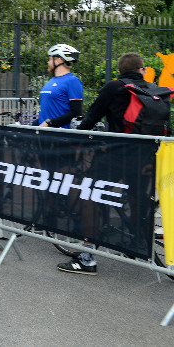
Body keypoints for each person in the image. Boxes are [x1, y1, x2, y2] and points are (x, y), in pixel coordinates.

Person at [59, 52, 159, 275]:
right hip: (146, 156)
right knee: (138, 198)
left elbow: (91, 118)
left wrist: (76, 139)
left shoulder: (114, 87)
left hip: (116, 154)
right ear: (142, 70)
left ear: (120, 71)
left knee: (89, 196)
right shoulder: (152, 90)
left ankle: (87, 259)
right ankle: (136, 245)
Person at [38, 44, 83, 129]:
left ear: (59, 60)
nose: (48, 62)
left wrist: (49, 123)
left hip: (60, 135)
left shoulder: (73, 81)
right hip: (43, 133)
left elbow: (76, 113)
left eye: (50, 59)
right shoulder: (51, 81)